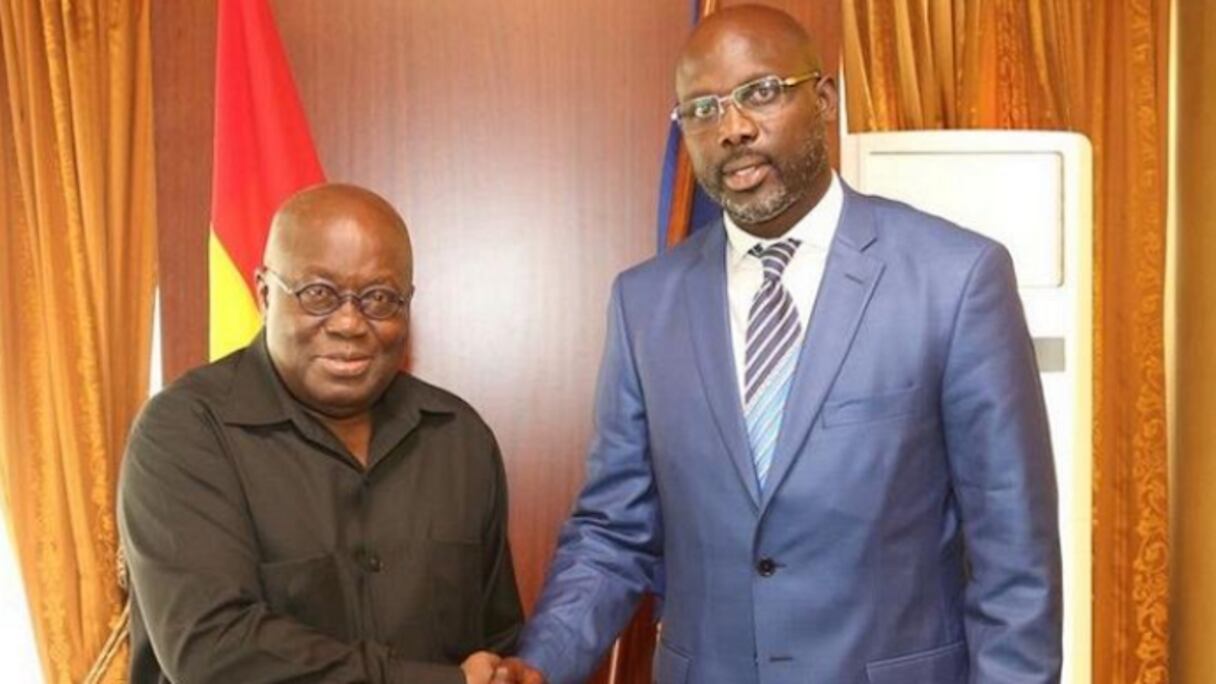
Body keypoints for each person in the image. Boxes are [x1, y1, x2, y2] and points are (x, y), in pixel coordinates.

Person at [496, 6, 1061, 684]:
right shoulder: (645, 303)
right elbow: (615, 532)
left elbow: (1014, 560)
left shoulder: (955, 279)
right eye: (701, 109)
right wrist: (538, 664)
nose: (731, 128)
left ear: (822, 98)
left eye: (760, 92)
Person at [119, 183, 523, 683]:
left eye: (378, 297)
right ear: (265, 294)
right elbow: (214, 653)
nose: (350, 323)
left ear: (407, 305)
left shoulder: (461, 439)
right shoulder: (185, 434)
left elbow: (497, 640)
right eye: (319, 294)